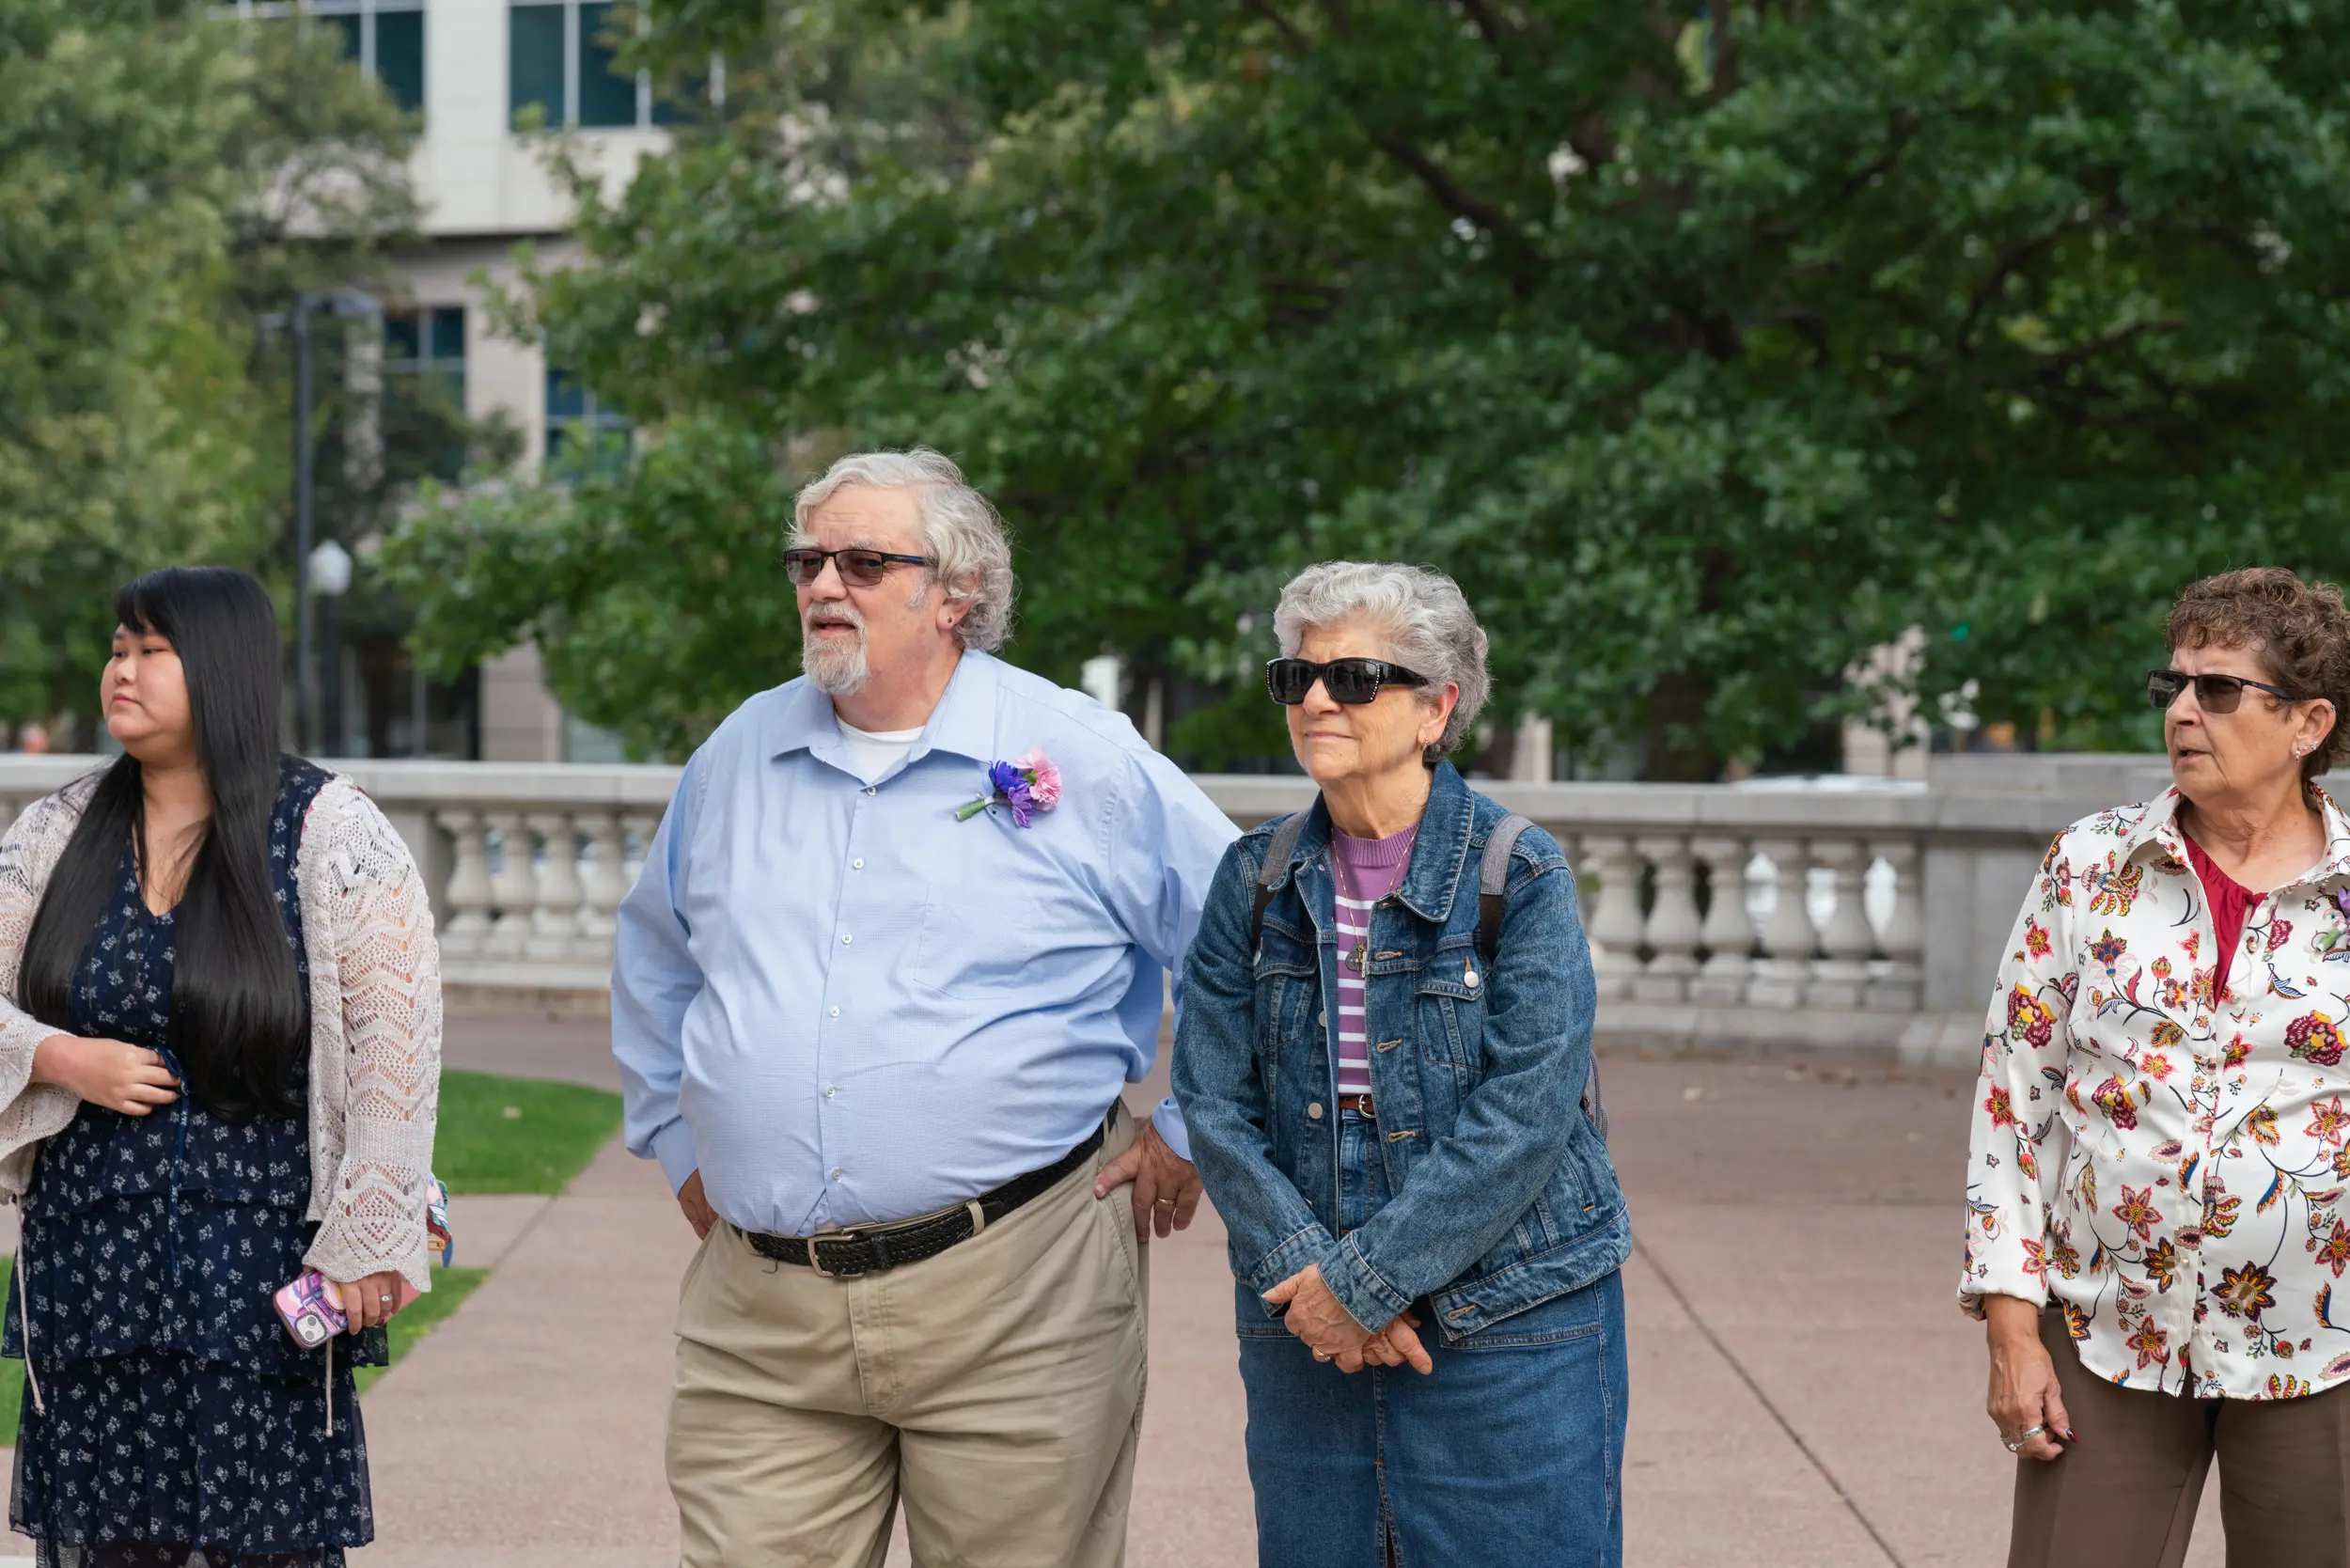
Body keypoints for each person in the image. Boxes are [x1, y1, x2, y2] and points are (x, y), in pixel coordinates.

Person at [611, 447, 1238, 1567]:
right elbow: (657, 956)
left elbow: (1243, 940)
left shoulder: (1075, 757)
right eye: (807, 560)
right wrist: (673, 1137)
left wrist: (1191, 1133)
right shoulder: (737, 752)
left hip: (1018, 1294)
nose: (820, 585)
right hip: (764, 1317)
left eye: (861, 560)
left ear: (957, 594)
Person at [1173, 560, 1632, 1567]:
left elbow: (1526, 1116)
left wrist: (1365, 1282)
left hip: (1510, 1321)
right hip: (1304, 1327)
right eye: (1298, 678)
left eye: (1355, 678)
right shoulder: (1251, 877)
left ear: (1437, 709)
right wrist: (1311, 1277)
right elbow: (1210, 1097)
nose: (1319, 700)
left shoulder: (1520, 870)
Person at [0, 566, 444, 1567]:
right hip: (89, 1273)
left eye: (155, 651)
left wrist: (373, 1224)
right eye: (120, 646)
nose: (124, 669)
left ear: (226, 670)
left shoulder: (330, 830)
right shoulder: (58, 830)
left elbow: (392, 1046)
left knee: (265, 1545)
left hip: (259, 1279)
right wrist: (62, 1058)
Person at [1964, 566, 2350, 1566]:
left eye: (2218, 689)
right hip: (2105, 1334)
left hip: (2328, 1346)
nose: (2182, 710)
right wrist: (2013, 1331)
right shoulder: (2088, 867)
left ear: (2308, 722)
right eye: (2172, 685)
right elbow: (2013, 1103)